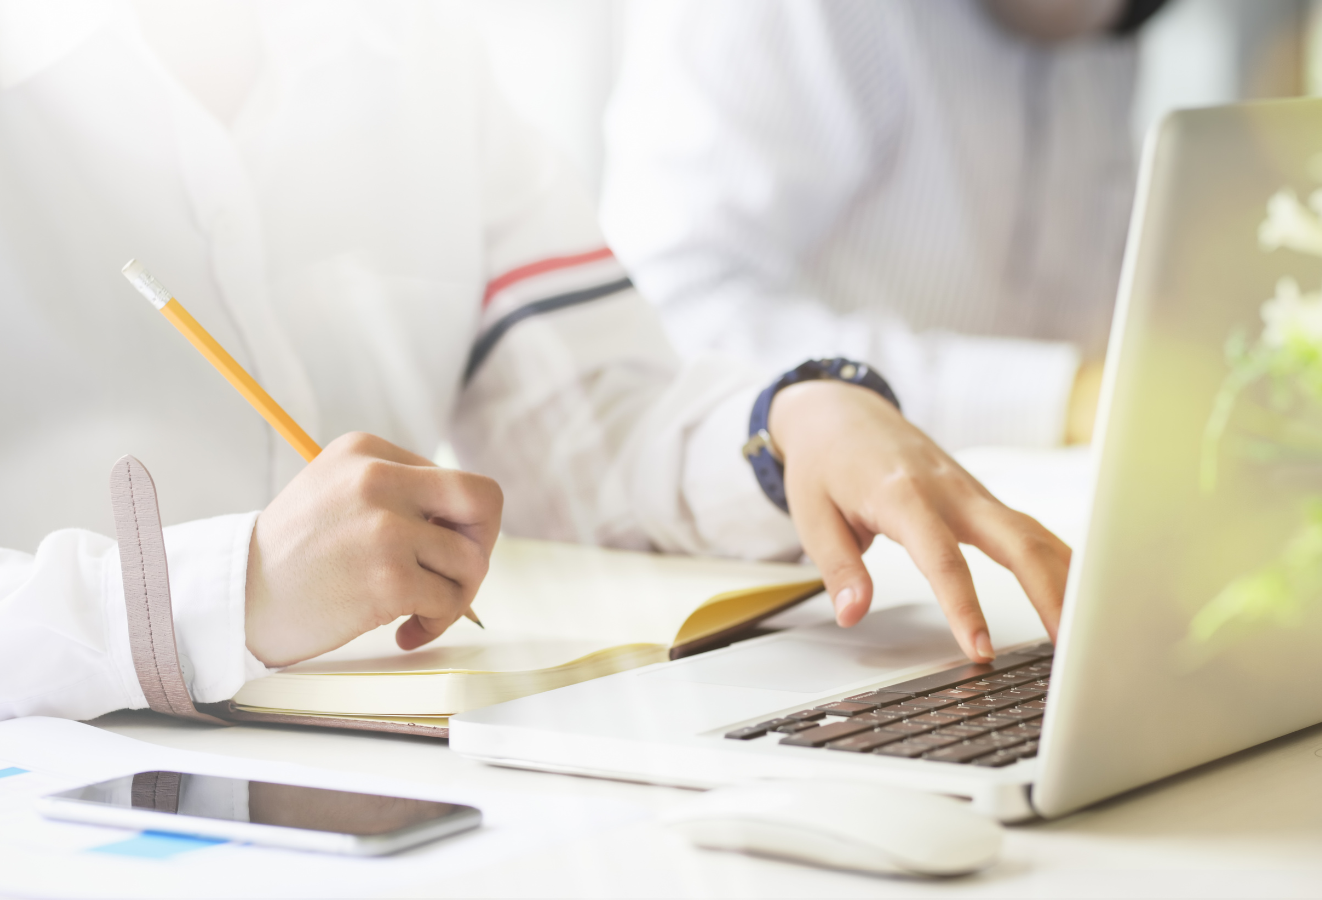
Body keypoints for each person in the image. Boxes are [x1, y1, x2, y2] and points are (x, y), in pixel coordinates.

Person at [0, 0, 1071, 722]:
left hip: (423, 786)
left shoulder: (421, 58)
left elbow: (591, 428)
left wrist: (784, 429)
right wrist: (230, 595)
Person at [600, 0, 1167, 451]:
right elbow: (671, 320)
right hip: (810, 553)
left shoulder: (1108, 35)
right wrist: (1059, 401)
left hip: (1056, 525)